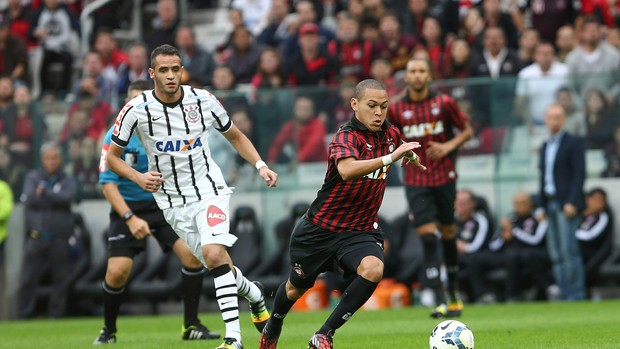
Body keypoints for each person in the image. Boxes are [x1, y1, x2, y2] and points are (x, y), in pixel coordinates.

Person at [106, 44, 278, 349]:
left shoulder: (204, 100)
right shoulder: (136, 109)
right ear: (151, 73)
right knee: (218, 264)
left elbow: (235, 136)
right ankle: (254, 295)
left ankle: (233, 340)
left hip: (210, 191)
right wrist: (138, 176)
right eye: (164, 70)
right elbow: (113, 158)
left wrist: (261, 165)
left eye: (176, 69)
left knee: (213, 254)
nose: (171, 76)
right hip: (171, 202)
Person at [258, 79, 425, 349]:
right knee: (295, 289)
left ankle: (324, 334)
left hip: (359, 229)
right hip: (320, 230)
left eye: (384, 106)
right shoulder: (345, 136)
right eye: (372, 106)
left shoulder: (390, 134)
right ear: (355, 105)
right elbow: (347, 170)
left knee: (374, 269)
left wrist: (408, 155)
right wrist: (391, 159)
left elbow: (398, 143)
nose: (379, 112)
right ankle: (274, 323)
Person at [93, 80, 220, 343]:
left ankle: (191, 326)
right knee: (117, 272)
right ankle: (108, 331)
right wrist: (129, 218)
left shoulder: (169, 129)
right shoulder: (115, 137)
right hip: (127, 208)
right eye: (132, 101)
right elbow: (107, 185)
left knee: (192, 256)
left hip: (164, 203)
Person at [388, 57, 473, 318]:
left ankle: (453, 292)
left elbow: (467, 131)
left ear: (429, 75)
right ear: (406, 76)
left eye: (421, 71)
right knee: (427, 236)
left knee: (448, 234)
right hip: (416, 180)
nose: (416, 75)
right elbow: (389, 137)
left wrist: (447, 146)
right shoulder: (396, 108)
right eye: (412, 71)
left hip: (444, 177)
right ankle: (437, 298)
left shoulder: (444, 103)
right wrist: (397, 152)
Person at [16, 142, 77, 318]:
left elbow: (68, 197)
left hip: (60, 238)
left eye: (55, 158)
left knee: (60, 280)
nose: (52, 161)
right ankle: (23, 315)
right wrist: (54, 198)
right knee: (28, 279)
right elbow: (30, 199)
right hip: (37, 237)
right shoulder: (33, 177)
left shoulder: (67, 178)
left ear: (60, 159)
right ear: (42, 160)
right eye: (48, 158)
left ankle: (56, 316)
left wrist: (46, 193)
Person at [537, 103, 586, 301]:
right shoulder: (545, 145)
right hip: (549, 202)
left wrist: (572, 201)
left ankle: (575, 293)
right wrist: (540, 205)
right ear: (546, 120)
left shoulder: (573, 142)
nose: (554, 120)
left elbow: (579, 174)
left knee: (569, 250)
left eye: (558, 117)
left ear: (563, 119)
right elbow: (543, 177)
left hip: (565, 203)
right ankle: (563, 292)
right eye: (551, 117)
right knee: (555, 253)